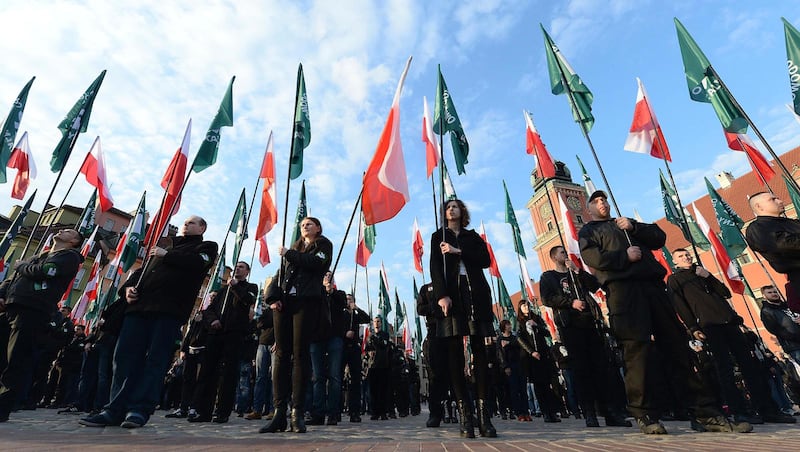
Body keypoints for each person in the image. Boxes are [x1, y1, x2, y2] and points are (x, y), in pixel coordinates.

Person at [578, 191, 750, 434]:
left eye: (604, 199)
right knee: (636, 351)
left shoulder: (624, 223)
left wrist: (634, 226)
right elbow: (592, 257)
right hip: (624, 291)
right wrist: (623, 256)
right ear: (588, 209)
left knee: (678, 346)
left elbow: (658, 237)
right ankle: (645, 414)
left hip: (653, 287)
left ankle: (703, 412)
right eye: (595, 201)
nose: (602, 203)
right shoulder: (589, 231)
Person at [79, 215, 218, 429]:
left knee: (155, 360)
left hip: (168, 310)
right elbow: (141, 273)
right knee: (123, 359)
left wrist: (167, 255)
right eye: (185, 221)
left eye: (192, 222)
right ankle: (114, 409)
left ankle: (139, 409)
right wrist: (128, 289)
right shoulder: (164, 245)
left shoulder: (206, 247)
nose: (186, 224)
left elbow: (198, 265)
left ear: (202, 227)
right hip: (138, 308)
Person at [668, 249, 795, 424]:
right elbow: (680, 305)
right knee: (725, 369)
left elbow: (725, 293)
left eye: (687, 255)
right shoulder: (675, 279)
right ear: (675, 262)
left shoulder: (703, 273)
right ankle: (740, 411)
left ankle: (767, 409)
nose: (686, 257)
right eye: (681, 256)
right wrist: (692, 327)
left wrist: (708, 276)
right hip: (709, 326)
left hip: (729, 322)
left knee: (750, 367)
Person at [540, 245, 631, 428]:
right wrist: (570, 302)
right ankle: (590, 412)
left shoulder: (576, 273)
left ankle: (610, 412)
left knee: (601, 369)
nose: (566, 254)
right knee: (582, 371)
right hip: (570, 326)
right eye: (562, 252)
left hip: (590, 324)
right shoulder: (548, 277)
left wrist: (578, 270)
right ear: (553, 257)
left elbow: (594, 285)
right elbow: (547, 298)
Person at [0, 228, 84, 422]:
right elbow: (13, 280)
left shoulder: (70, 257)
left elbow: (46, 272)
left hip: (32, 310)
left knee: (15, 360)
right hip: (11, 307)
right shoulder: (41, 255)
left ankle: (3, 406)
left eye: (69, 232)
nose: (62, 230)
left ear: (74, 241)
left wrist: (21, 266)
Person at [429, 199, 497, 438]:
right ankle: (465, 413)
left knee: (480, 351)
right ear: (444, 213)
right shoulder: (439, 237)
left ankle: (483, 413)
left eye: (455, 206)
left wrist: (459, 251)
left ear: (462, 212)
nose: (451, 209)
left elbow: (486, 261)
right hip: (453, 296)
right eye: (448, 207)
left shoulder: (472, 236)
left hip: (476, 294)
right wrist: (442, 295)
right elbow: (435, 268)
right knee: (454, 353)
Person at [259, 217, 332, 434]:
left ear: (318, 228)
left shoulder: (323, 245)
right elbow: (279, 274)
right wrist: (272, 297)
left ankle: (297, 413)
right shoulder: (293, 249)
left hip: (306, 303)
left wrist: (288, 253)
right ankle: (279, 412)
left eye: (309, 224)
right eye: (302, 225)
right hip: (284, 304)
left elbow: (316, 263)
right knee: (281, 355)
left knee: (300, 355)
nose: (304, 226)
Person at [190, 261, 258, 423]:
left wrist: (235, 286)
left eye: (241, 267)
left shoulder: (250, 287)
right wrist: (213, 320)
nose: (237, 269)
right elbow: (209, 310)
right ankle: (203, 411)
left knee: (228, 374)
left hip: (234, 335)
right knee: (208, 372)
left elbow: (248, 300)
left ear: (247, 272)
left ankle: (222, 411)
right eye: (236, 266)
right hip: (216, 334)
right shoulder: (222, 291)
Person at [308, 271, 347, 426]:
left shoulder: (340, 295)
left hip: (334, 338)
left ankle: (333, 413)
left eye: (330, 276)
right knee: (317, 377)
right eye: (324, 275)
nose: (327, 278)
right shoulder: (316, 293)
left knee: (334, 377)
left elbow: (342, 304)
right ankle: (318, 413)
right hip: (317, 338)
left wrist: (331, 292)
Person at [745, 192, 800, 285]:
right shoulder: (757, 228)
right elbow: (784, 244)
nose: (780, 201)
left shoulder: (792, 222)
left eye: (777, 198)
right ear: (759, 207)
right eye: (773, 199)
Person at [341, 292, 369, 422]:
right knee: (338, 379)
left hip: (354, 349)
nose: (348, 301)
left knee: (356, 381)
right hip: (342, 347)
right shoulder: (341, 313)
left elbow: (367, 318)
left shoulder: (355, 315)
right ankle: (336, 410)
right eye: (347, 299)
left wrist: (357, 308)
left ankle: (355, 412)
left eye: (350, 299)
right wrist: (344, 333)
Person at [760, 284, 800, 364]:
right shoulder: (766, 311)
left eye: (775, 291)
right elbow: (775, 330)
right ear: (764, 296)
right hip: (794, 346)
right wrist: (796, 337)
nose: (773, 294)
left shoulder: (788, 304)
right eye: (769, 292)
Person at [365, 316, 391, 421]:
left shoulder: (384, 335)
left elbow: (384, 344)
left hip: (383, 365)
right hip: (373, 366)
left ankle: (383, 412)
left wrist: (374, 339)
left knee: (383, 390)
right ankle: (374, 412)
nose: (376, 323)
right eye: (375, 322)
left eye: (378, 321)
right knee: (373, 391)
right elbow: (367, 349)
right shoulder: (369, 337)